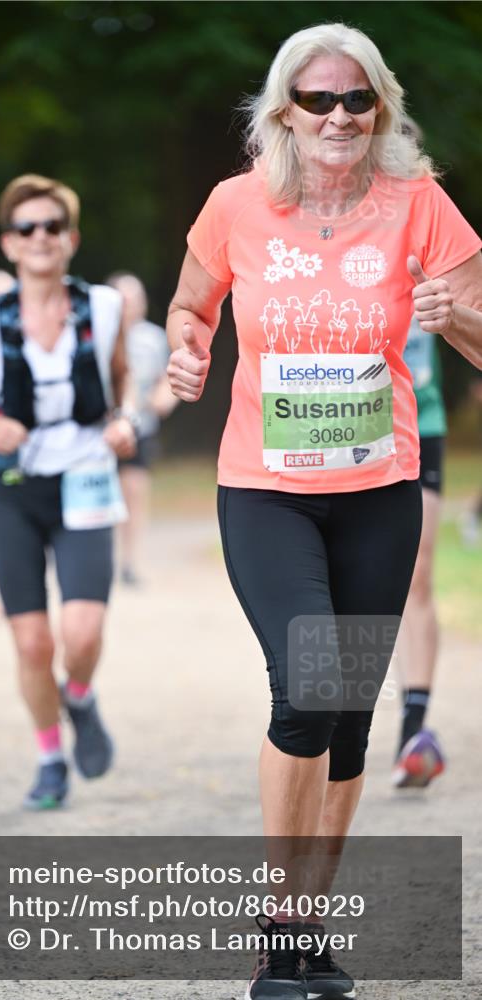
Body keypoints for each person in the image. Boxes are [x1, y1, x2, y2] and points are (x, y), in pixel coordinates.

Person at [166, 22, 482, 1000]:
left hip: (379, 491)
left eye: (356, 99)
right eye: (317, 99)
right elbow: (191, 306)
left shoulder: (419, 204)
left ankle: (309, 926)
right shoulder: (236, 206)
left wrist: (451, 316)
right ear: (284, 112)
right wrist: (186, 350)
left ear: (378, 107)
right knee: (304, 692)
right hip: (264, 488)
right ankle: (275, 930)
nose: (337, 116)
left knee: (347, 719)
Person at [0, 173, 136, 810]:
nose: (41, 238)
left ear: (71, 238)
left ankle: (79, 696)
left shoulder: (103, 306)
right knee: (33, 641)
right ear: (8, 242)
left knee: (81, 636)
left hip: (84, 476)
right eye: (27, 228)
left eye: (52, 226)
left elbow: (123, 380)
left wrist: (125, 421)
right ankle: (50, 756)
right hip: (14, 488)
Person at [392, 315, 447, 788]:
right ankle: (334, 726)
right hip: (348, 425)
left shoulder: (432, 245)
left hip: (422, 419)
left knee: (417, 576)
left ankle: (413, 730)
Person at [106, 272, 178, 585]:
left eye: (134, 298)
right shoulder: (97, 333)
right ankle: (100, 560)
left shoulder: (153, 338)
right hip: (102, 431)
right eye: (122, 298)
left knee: (134, 493)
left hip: (141, 428)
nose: (129, 305)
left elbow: (168, 377)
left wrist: (164, 399)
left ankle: (130, 563)